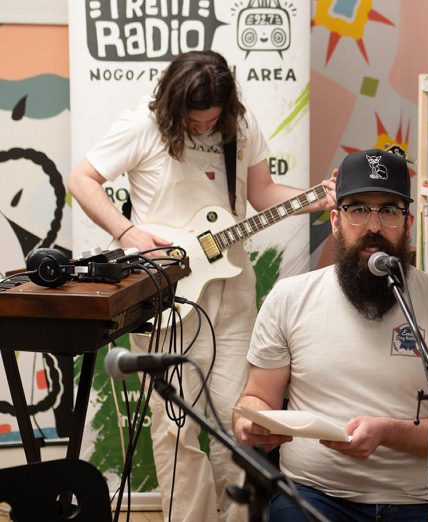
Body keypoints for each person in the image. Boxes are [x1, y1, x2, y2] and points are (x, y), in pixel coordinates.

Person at [67, 50, 336, 522]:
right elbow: (82, 178)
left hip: (232, 288)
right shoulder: (141, 125)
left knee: (240, 422)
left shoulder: (242, 126)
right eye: (192, 121)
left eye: (211, 120)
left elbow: (262, 193)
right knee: (176, 430)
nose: (201, 128)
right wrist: (130, 233)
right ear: (173, 104)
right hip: (168, 292)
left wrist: (320, 198)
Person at [233, 148, 428, 521]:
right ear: (336, 221)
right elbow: (257, 396)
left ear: (408, 222)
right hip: (314, 496)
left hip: (419, 501)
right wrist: (251, 421)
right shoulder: (290, 298)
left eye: (389, 210)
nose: (373, 226)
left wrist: (386, 432)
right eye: (358, 209)